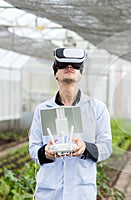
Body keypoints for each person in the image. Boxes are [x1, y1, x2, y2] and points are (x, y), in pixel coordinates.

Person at [28, 48, 112, 199]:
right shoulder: (42, 110)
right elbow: (33, 148)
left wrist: (86, 148)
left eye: (75, 65)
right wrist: (44, 152)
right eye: (63, 65)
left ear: (80, 74)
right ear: (55, 73)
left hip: (81, 193)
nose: (69, 67)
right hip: (49, 192)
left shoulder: (96, 108)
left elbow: (106, 147)